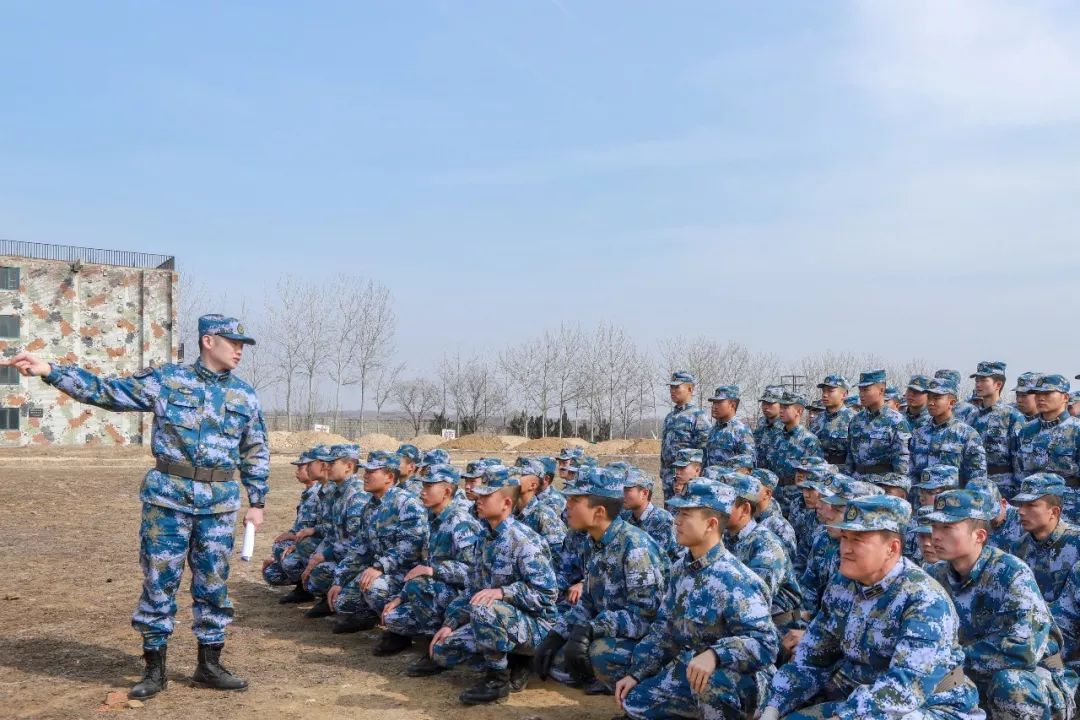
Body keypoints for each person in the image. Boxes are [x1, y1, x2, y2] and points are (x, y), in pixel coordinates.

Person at [3, 314, 268, 698]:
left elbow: (256, 450)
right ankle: (154, 670)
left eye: (243, 344)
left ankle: (209, 666)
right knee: (159, 582)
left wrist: (257, 500)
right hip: (168, 500)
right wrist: (50, 370)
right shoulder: (168, 381)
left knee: (213, 584)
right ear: (208, 341)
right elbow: (107, 391)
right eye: (233, 342)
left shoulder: (244, 395)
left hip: (219, 505)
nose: (240, 350)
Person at [761, 495, 983, 720]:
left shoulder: (924, 599)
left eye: (857, 540)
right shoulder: (843, 585)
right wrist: (773, 707)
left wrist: (844, 718)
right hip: (864, 699)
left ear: (892, 548)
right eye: (845, 537)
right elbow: (812, 657)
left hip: (931, 705)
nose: (845, 548)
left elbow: (905, 686)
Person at [613, 480, 778, 720]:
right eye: (678, 512)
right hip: (692, 668)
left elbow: (766, 644)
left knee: (710, 684)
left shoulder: (736, 579)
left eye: (686, 514)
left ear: (711, 524)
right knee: (634, 701)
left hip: (738, 678)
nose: (676, 520)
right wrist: (637, 673)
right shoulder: (681, 568)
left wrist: (715, 654)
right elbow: (664, 629)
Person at [925, 487, 1077, 720]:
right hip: (965, 676)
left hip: (1034, 677)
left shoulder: (1010, 573)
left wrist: (949, 663)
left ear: (979, 536)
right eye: (934, 526)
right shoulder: (933, 575)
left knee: (1009, 685)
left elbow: (1022, 651)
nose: (935, 535)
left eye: (947, 528)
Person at [430, 466, 558, 705]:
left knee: (484, 607)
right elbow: (471, 589)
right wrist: (451, 623)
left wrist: (503, 592)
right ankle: (508, 657)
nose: (478, 500)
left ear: (506, 503)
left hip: (537, 625)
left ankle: (497, 680)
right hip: (500, 620)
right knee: (443, 651)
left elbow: (547, 595)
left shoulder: (525, 541)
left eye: (486, 496)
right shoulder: (484, 539)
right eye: (479, 495)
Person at [534, 468, 668, 695]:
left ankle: (643, 683)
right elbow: (588, 600)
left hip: (647, 639)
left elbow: (647, 616)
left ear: (599, 512)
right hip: (614, 628)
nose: (567, 506)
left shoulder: (635, 547)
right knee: (554, 652)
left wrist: (590, 629)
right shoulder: (591, 542)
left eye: (575, 500)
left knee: (598, 654)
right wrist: (557, 635)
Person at [382, 464, 483, 673]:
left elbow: (472, 572)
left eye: (429, 487)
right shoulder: (433, 519)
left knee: (420, 584)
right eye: (423, 486)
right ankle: (433, 633)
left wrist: (434, 571)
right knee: (393, 617)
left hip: (460, 596)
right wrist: (400, 596)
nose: (422, 491)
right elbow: (423, 564)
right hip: (439, 590)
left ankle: (436, 648)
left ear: (447, 491)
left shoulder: (461, 522)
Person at [328, 451, 428, 642]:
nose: (365, 475)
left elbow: (412, 545)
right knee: (342, 601)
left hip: (405, 574)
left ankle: (400, 631)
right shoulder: (370, 506)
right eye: (366, 471)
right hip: (382, 571)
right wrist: (339, 579)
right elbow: (360, 548)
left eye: (372, 472)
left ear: (389, 477)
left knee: (374, 587)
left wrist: (380, 566)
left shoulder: (406, 503)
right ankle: (370, 616)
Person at [724, 473, 802, 635]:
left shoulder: (766, 545)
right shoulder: (726, 537)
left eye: (725, 503)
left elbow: (751, 602)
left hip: (775, 630)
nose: (716, 508)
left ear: (745, 509)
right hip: (738, 625)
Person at [301, 444, 369, 623]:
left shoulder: (357, 495)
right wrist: (318, 556)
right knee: (315, 575)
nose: (327, 466)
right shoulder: (337, 492)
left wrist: (327, 555)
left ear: (349, 466)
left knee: (341, 598)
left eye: (333, 463)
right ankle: (330, 598)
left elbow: (358, 544)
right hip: (344, 556)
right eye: (327, 463)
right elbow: (332, 533)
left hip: (359, 560)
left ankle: (364, 610)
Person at [1017, 374, 1080, 523]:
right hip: (1033, 508)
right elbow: (1020, 471)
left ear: (1065, 397)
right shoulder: (1027, 430)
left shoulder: (1076, 430)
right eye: (1037, 394)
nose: (1040, 398)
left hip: (1069, 509)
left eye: (1047, 393)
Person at [1012, 473, 1080, 604]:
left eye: (1030, 505)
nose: (1021, 511)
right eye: (1020, 504)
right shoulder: (1018, 548)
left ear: (1054, 512)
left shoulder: (1076, 542)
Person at [261, 447, 321, 591]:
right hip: (303, 541)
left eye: (301, 467)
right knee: (271, 573)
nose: (297, 471)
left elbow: (322, 528)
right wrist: (291, 535)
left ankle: (306, 588)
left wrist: (295, 541)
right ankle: (301, 583)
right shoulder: (307, 494)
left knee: (287, 555)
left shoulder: (319, 494)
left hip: (313, 544)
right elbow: (300, 524)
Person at [909, 376, 987, 485]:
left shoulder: (967, 435)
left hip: (953, 499)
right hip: (922, 499)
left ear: (952, 403)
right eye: (929, 398)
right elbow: (911, 473)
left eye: (936, 398)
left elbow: (977, 479)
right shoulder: (919, 435)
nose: (931, 403)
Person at [969, 361, 1026, 500]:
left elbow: (1018, 459)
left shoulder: (1012, 416)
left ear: (998, 385)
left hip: (1003, 489)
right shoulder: (971, 417)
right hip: (974, 487)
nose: (978, 384)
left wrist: (1020, 493)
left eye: (983, 380)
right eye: (977, 380)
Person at [846, 369, 912, 480]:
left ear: (881, 391)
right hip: (856, 482)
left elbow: (902, 460)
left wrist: (896, 487)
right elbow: (850, 456)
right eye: (860, 390)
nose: (861, 395)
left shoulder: (896, 421)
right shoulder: (856, 420)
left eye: (866, 390)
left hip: (882, 483)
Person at [660, 371, 712, 502]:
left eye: (677, 387)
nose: (672, 390)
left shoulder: (698, 416)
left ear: (690, 388)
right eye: (671, 387)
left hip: (687, 479)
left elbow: (704, 451)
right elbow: (664, 448)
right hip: (669, 478)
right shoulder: (670, 417)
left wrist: (695, 478)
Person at [765, 391, 823, 487]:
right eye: (781, 406)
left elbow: (815, 475)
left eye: (786, 407)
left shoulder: (809, 441)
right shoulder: (775, 437)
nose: (781, 410)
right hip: (775, 493)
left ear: (799, 411)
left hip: (796, 495)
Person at [620, 468, 679, 561]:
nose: (622, 494)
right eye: (621, 489)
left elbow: (669, 559)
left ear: (644, 493)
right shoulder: (626, 518)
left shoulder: (663, 520)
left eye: (627, 490)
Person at [515, 458, 567, 556]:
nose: (515, 480)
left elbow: (558, 558)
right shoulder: (513, 508)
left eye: (522, 475)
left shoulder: (546, 512)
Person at [703, 385, 756, 473]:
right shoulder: (713, 430)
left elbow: (748, 467)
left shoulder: (741, 431)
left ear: (732, 405)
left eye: (719, 403)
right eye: (714, 403)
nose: (714, 407)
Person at [967, 478, 1025, 555]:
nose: (986, 520)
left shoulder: (1022, 520)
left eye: (991, 515)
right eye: (979, 515)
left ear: (1003, 503)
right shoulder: (964, 523)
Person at [810, 375, 856, 466]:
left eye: (830, 391)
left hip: (844, 474)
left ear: (844, 394)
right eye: (823, 391)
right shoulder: (817, 419)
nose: (825, 394)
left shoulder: (854, 419)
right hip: (819, 471)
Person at [754, 385, 786, 468]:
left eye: (770, 403)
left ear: (781, 404)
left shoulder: (787, 425)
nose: (765, 407)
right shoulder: (761, 423)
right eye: (764, 403)